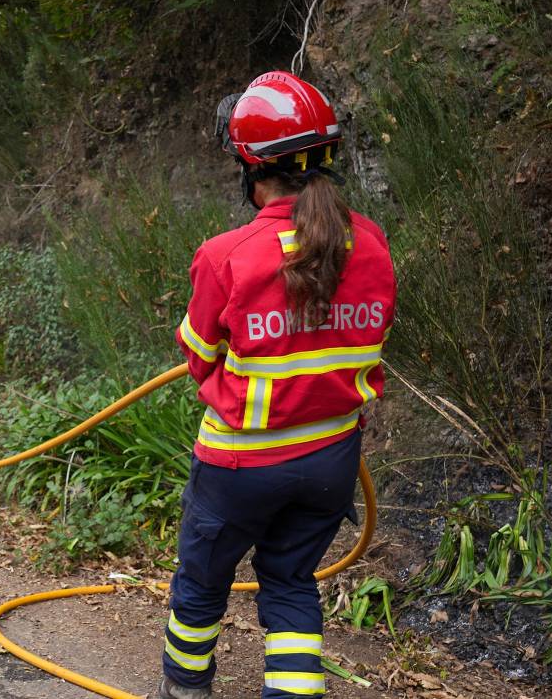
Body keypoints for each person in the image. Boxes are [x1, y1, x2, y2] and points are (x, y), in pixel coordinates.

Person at [154, 71, 397, 699]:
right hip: (331, 461)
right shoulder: (370, 243)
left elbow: (200, 355)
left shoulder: (227, 254)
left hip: (240, 464)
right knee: (290, 581)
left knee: (203, 582)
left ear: (248, 167)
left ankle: (184, 689)